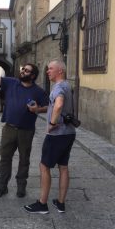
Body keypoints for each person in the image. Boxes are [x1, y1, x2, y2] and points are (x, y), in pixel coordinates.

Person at [0, 63, 48, 198]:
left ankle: (21, 186)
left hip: (26, 130)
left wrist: (37, 109)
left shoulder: (38, 91)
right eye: (23, 69)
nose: (23, 71)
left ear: (32, 76)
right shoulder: (12, 82)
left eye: (26, 71)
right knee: (5, 158)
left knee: (24, 159)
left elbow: (48, 106)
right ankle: (2, 186)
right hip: (9, 128)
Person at [24, 59, 76, 214]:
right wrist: (38, 110)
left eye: (50, 68)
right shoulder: (67, 85)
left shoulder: (59, 87)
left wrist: (52, 123)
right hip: (69, 133)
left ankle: (42, 204)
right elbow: (54, 105)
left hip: (57, 135)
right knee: (63, 167)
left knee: (44, 166)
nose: (47, 71)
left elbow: (58, 104)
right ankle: (60, 203)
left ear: (60, 70)